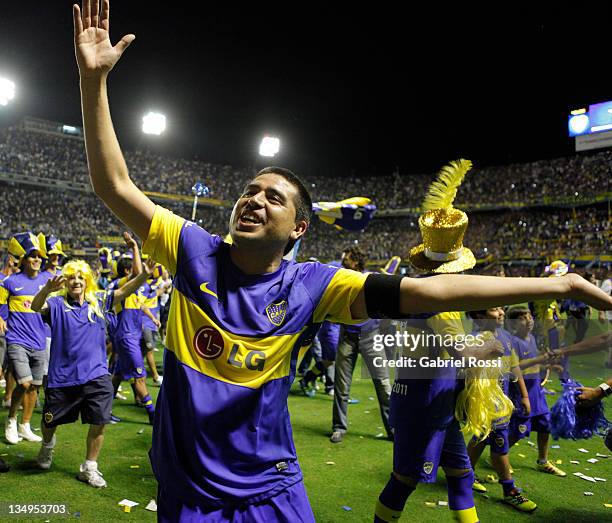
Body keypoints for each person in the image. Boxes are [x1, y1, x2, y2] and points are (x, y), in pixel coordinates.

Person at [72, 2, 611, 519]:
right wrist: (94, 81)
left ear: (298, 229)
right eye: (250, 190)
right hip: (188, 486)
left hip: (271, 486)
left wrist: (558, 288)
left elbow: (427, 292)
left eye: (273, 197)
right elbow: (113, 184)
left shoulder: (312, 284)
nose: (254, 199)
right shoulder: (193, 248)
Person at [31, 258, 156, 486]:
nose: (76, 281)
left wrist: (143, 275)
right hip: (62, 377)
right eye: (71, 278)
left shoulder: (99, 301)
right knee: (49, 422)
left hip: (96, 375)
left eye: (80, 277)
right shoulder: (57, 304)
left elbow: (124, 290)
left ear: (87, 280)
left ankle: (89, 467)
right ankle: (47, 446)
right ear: (66, 282)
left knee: (99, 421)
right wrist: (47, 289)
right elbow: (35, 306)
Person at [467, 307, 537, 512]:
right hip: (485, 402)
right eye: (494, 309)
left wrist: (524, 395)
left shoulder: (506, 337)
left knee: (482, 435)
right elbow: (466, 368)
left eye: (501, 308)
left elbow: (514, 367)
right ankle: (510, 490)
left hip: (504, 398)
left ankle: (466, 473)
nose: (501, 312)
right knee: (499, 443)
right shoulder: (473, 339)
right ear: (479, 315)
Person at [330, 246, 392, 443]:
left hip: (370, 336)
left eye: (346, 257)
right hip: (346, 335)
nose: (343, 259)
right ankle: (339, 427)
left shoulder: (369, 279)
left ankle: (394, 430)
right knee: (341, 385)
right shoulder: (340, 278)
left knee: (383, 385)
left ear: (355, 261)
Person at [0, 233, 50, 445]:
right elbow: (1, 306)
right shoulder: (10, 282)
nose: (36, 260)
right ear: (24, 260)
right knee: (25, 381)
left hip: (40, 340)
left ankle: (25, 425)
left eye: (39, 256)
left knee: (34, 386)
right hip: (17, 340)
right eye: (32, 256)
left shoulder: (48, 281)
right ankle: (11, 420)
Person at [505, 307, 566, 476]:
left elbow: (533, 365)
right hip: (521, 391)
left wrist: (550, 366)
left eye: (530, 316)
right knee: (519, 429)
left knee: (545, 425)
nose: (529, 320)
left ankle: (543, 461)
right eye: (523, 318)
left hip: (537, 391)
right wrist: (540, 359)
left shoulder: (532, 338)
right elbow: (515, 367)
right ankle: (500, 456)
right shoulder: (512, 342)